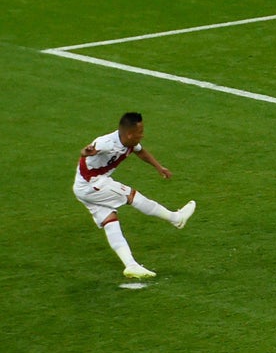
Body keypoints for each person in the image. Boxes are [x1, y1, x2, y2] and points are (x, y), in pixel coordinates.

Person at [73, 112, 196, 279]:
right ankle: (176, 218)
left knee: (111, 221)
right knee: (132, 196)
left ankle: (131, 266)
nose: (143, 134)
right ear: (130, 134)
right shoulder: (106, 143)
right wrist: (87, 151)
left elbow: (141, 152)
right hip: (93, 185)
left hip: (85, 188)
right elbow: (88, 150)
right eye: (140, 131)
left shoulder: (130, 142)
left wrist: (159, 167)